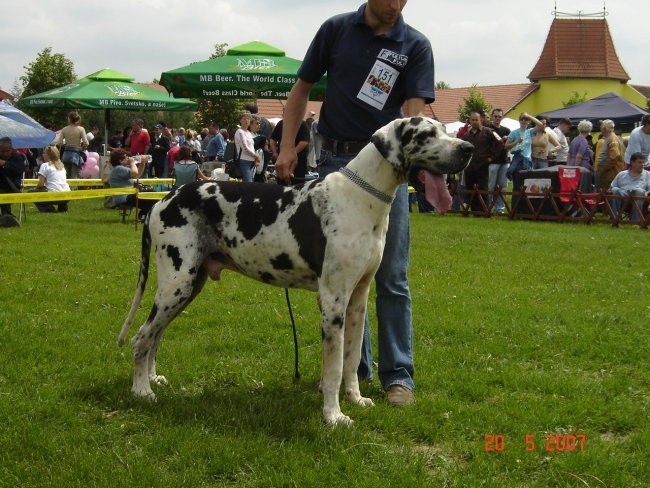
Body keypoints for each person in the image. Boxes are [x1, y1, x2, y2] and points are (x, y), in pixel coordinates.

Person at [274, 0, 435, 406]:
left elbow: (414, 116)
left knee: (391, 274)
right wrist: (287, 145)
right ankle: (351, 373)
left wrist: (421, 158)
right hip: (335, 161)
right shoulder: (335, 29)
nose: (395, 5)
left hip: (386, 168)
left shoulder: (415, 44)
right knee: (339, 277)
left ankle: (398, 375)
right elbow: (302, 89)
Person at [461, 111, 502, 212]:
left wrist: (492, 157)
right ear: (470, 121)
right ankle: (474, 210)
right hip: (470, 166)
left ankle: (484, 210)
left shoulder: (488, 131)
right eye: (472, 120)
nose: (474, 122)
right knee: (470, 189)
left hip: (482, 165)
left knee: (483, 189)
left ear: (481, 120)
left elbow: (500, 142)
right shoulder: (467, 135)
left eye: (476, 120)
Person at [107, 148, 153, 221]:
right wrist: (132, 163)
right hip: (124, 197)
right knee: (150, 194)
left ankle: (142, 215)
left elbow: (137, 175)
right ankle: (141, 215)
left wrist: (142, 163)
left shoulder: (120, 168)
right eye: (126, 157)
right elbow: (134, 173)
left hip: (127, 195)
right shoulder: (119, 169)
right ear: (120, 160)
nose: (128, 158)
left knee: (151, 194)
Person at [610, 152, 650, 222]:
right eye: (640, 162)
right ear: (632, 163)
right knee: (615, 189)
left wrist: (647, 193)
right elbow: (611, 188)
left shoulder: (648, 175)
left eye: (643, 163)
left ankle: (635, 222)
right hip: (623, 199)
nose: (642, 165)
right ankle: (615, 219)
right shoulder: (621, 174)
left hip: (639, 199)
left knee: (639, 191)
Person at [31, 146, 70, 213]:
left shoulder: (45, 165)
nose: (43, 155)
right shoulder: (62, 166)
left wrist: (35, 189)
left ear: (49, 155)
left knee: (31, 192)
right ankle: (62, 207)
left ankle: (48, 209)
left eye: (44, 153)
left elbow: (40, 185)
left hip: (54, 196)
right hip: (67, 195)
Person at [505, 112, 543, 181]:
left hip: (527, 160)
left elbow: (540, 125)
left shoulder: (529, 131)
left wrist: (529, 116)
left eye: (525, 119)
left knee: (527, 183)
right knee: (517, 182)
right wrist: (516, 141)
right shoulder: (514, 132)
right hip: (518, 159)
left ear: (529, 122)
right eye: (521, 119)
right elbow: (506, 146)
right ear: (519, 121)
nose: (523, 121)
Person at [487, 108, 511, 214]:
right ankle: (487, 207)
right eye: (495, 116)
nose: (497, 118)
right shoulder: (487, 129)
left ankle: (499, 209)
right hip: (492, 162)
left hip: (504, 161)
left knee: (503, 187)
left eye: (499, 116)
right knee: (490, 186)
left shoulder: (506, 130)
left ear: (502, 117)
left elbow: (509, 146)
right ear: (492, 116)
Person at [56, 111, 88, 178]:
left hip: (66, 155)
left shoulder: (64, 129)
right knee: (74, 176)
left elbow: (59, 143)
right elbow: (86, 143)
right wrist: (83, 147)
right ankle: (73, 188)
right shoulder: (81, 129)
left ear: (69, 119)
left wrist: (66, 144)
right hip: (76, 155)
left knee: (65, 175)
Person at [595, 119, 625, 191]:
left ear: (604, 129)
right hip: (608, 171)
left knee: (606, 194)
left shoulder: (612, 140)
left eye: (601, 126)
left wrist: (603, 169)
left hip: (609, 173)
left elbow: (614, 158)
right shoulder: (610, 138)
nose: (600, 128)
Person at [0, 137, 26, 217]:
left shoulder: (18, 158)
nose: (5, 153)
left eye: (7, 151)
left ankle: (7, 215)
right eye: (2, 151)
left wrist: (5, 163)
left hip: (13, 187)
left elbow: (19, 169)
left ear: (12, 149)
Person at [233, 110, 260, 183]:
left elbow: (252, 147)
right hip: (244, 161)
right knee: (249, 183)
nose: (246, 120)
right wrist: (255, 156)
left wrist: (255, 159)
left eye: (248, 118)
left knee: (248, 182)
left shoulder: (248, 133)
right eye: (244, 118)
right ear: (240, 120)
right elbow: (245, 148)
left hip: (251, 161)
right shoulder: (240, 132)